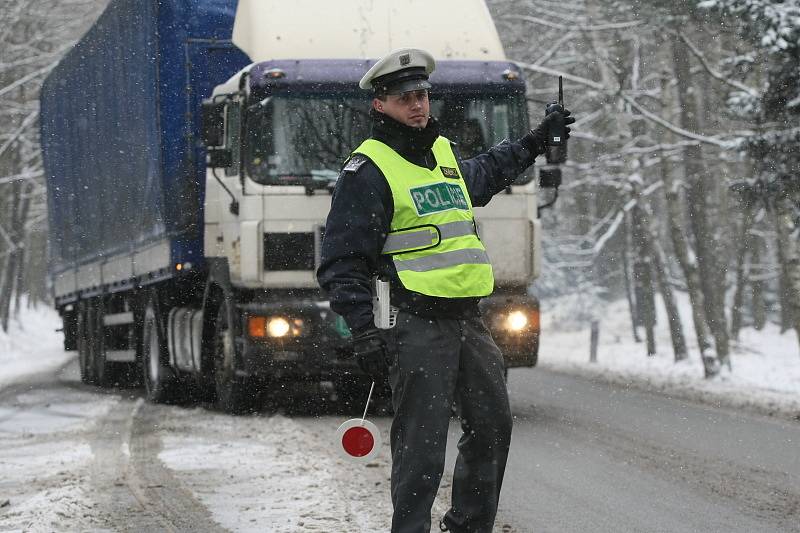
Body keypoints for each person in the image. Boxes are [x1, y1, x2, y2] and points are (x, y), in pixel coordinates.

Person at [316, 48, 574, 533]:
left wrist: (537, 141)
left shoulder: (441, 153)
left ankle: (468, 527)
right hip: (414, 324)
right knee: (422, 445)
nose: (417, 105)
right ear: (380, 105)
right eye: (404, 97)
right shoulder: (368, 170)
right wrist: (364, 331)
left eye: (422, 95)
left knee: (494, 426)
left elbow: (484, 175)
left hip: (468, 321)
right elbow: (340, 262)